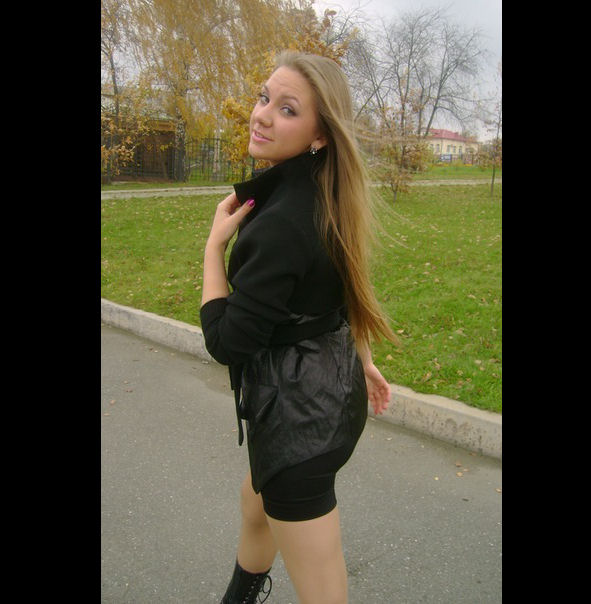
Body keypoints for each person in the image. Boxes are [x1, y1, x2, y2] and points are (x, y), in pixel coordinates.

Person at [200, 50, 397, 604]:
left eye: (287, 109)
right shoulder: (323, 193)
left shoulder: (285, 220)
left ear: (319, 135)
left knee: (322, 586)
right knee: (255, 505)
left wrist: (213, 247)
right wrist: (363, 362)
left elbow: (227, 342)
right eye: (265, 98)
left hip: (298, 425)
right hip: (330, 397)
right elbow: (339, 294)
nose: (262, 115)